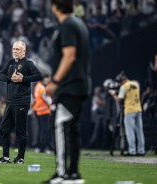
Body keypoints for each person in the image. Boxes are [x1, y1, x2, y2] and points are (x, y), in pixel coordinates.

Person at [44, 0, 90, 183]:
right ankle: (73, 174)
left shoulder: (68, 25)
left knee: (61, 127)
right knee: (72, 130)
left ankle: (62, 174)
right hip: (79, 85)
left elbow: (69, 56)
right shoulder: (79, 23)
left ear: (55, 6)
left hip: (69, 86)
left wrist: (55, 81)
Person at [0, 41, 42, 164]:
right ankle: (5, 157)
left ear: (24, 51)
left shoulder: (28, 63)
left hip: (21, 102)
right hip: (10, 102)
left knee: (20, 131)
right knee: (3, 129)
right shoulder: (10, 63)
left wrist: (23, 79)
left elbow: (39, 75)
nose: (15, 51)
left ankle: (20, 157)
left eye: (18, 49)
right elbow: (0, 76)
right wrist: (10, 78)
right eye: (14, 49)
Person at [109, 71, 145, 156]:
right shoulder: (136, 83)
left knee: (130, 131)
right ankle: (141, 150)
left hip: (129, 110)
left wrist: (114, 94)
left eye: (119, 82)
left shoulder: (124, 87)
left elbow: (119, 100)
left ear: (124, 80)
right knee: (140, 131)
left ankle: (132, 151)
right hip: (138, 109)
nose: (119, 84)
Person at [33, 74, 53, 153]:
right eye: (47, 79)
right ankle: (43, 147)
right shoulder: (42, 89)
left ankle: (39, 147)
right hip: (44, 112)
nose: (48, 80)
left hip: (39, 111)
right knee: (44, 130)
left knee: (41, 130)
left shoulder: (38, 87)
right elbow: (49, 101)